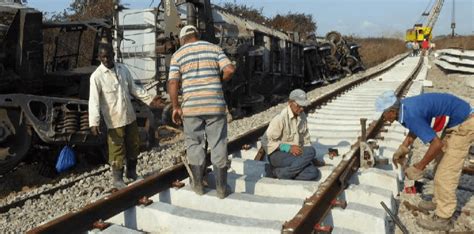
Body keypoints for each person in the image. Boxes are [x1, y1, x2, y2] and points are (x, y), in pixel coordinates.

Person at [375, 91, 473, 231]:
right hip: (457, 120)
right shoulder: (404, 107)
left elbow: (436, 144)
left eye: (383, 114)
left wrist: (419, 167)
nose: (383, 118)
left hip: (465, 124)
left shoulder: (410, 114)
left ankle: (444, 218)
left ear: (391, 111)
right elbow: (418, 125)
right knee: (439, 164)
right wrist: (404, 147)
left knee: (446, 173)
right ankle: (438, 201)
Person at [168, 25, 236, 199]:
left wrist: (176, 106)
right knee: (218, 143)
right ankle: (221, 189)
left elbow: (173, 83)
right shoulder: (214, 48)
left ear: (183, 39)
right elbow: (229, 69)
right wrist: (218, 81)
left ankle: (198, 185)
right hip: (214, 105)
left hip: (191, 108)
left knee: (194, 143)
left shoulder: (178, 55)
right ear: (197, 35)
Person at [89, 43, 160, 188]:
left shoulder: (122, 69)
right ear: (99, 58)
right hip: (114, 121)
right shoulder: (96, 77)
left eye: (109, 56)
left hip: (129, 116)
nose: (107, 59)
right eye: (103, 57)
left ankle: (132, 172)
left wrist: (150, 100)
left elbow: (134, 89)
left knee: (133, 145)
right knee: (117, 149)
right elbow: (94, 101)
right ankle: (117, 179)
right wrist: (94, 122)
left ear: (113, 55)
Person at [261, 89, 320, 181]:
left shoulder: (302, 116)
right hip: (278, 155)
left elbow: (306, 140)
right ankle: (281, 171)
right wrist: (287, 148)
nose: (301, 109)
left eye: (303, 106)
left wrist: (309, 159)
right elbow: (265, 141)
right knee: (311, 152)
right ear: (290, 103)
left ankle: (277, 172)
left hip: (294, 155)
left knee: (313, 172)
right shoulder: (280, 118)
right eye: (299, 105)